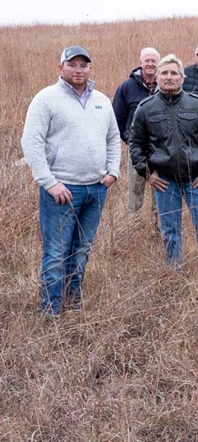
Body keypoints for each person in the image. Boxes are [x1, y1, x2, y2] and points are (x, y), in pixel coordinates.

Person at [21, 46, 120, 316]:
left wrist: (112, 171)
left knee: (82, 250)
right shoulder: (46, 99)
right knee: (56, 251)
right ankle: (51, 309)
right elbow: (31, 142)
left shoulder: (101, 100)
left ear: (90, 68)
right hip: (61, 191)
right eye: (72, 64)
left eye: (83, 65)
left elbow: (113, 137)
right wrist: (49, 182)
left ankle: (73, 303)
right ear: (61, 67)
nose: (78, 70)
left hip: (96, 189)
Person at [129, 54, 198, 267]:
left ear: (182, 77)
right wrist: (147, 172)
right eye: (164, 73)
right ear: (157, 77)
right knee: (170, 229)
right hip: (164, 181)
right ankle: (175, 270)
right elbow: (135, 144)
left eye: (173, 73)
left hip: (196, 179)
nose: (168, 77)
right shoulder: (146, 108)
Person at [113, 47, 160, 217]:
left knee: (161, 194)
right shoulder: (127, 87)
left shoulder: (165, 86)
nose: (150, 64)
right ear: (140, 63)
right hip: (136, 150)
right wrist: (129, 139)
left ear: (158, 63)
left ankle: (159, 233)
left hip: (161, 150)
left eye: (153, 61)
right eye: (146, 60)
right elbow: (117, 118)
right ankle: (132, 230)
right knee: (135, 192)